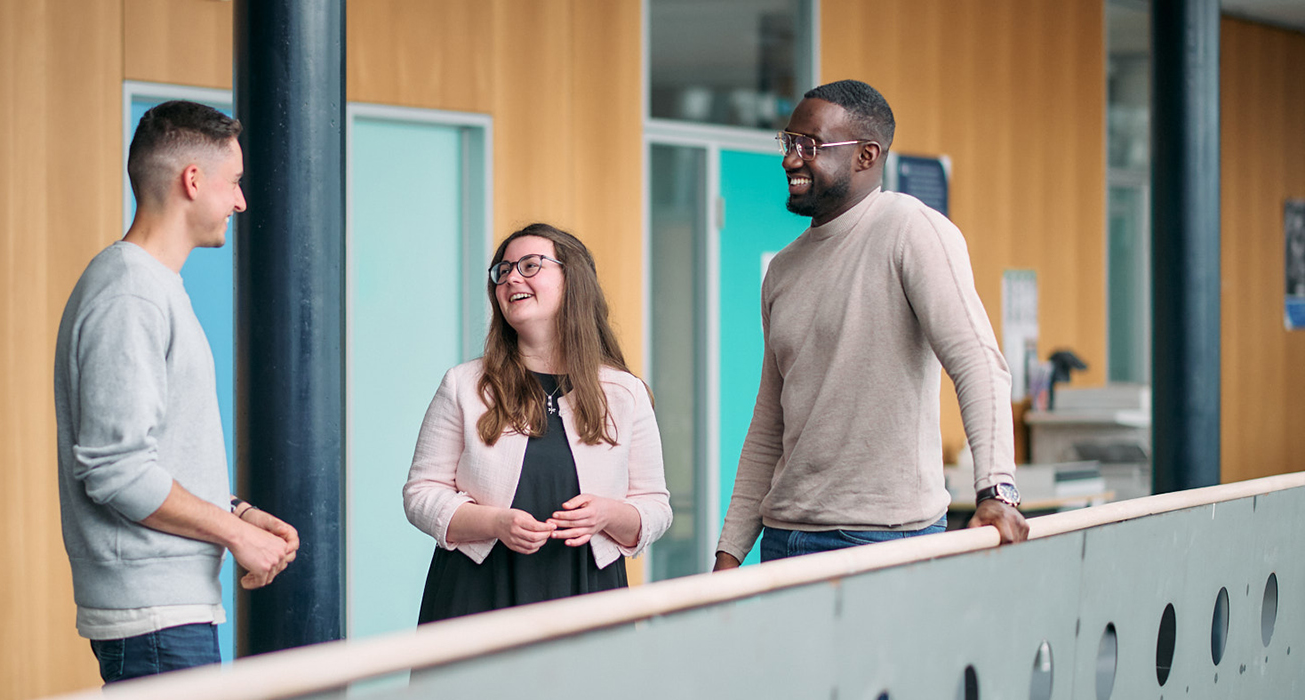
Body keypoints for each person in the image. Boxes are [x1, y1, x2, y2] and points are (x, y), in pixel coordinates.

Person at [713, 80, 1028, 570]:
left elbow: (977, 362)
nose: (790, 160)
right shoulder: (783, 270)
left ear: (866, 156)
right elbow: (769, 422)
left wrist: (997, 490)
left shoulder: (911, 229)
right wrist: (730, 550)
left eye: (809, 146)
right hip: (783, 540)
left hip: (886, 540)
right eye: (788, 142)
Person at [54, 100, 299, 683]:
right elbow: (116, 470)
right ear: (193, 181)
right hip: (153, 618)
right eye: (234, 182)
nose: (241, 201)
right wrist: (234, 533)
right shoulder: (129, 295)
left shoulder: (152, 288)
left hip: (168, 612)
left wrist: (236, 510)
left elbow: (157, 454)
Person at [404, 223, 672, 622]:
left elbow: (655, 506)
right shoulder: (463, 384)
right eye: (504, 269)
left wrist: (608, 514)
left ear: (573, 281)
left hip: (587, 593)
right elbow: (421, 494)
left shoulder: (625, 392)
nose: (511, 277)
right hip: (477, 594)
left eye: (530, 265)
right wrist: (495, 522)